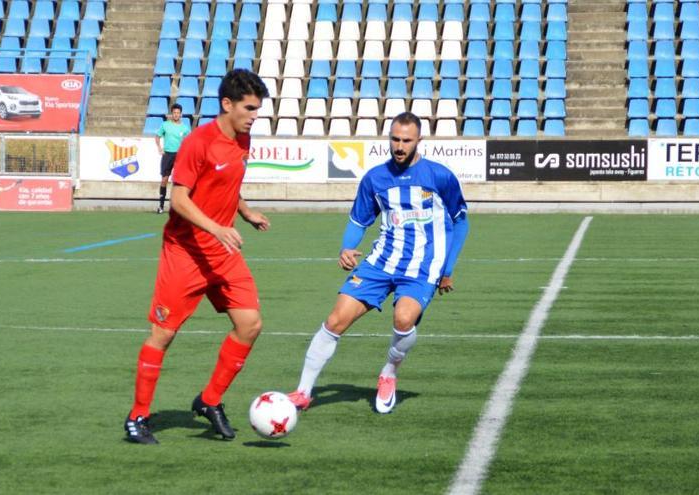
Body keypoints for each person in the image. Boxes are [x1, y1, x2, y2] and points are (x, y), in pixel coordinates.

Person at [287, 112, 469, 414]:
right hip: (381, 261)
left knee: (403, 320)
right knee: (334, 321)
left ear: (419, 141)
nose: (399, 146)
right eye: (395, 139)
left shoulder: (439, 176)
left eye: (406, 141)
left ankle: (389, 372)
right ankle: (303, 392)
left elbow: (460, 222)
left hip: (423, 267)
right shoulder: (375, 178)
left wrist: (447, 270)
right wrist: (347, 247)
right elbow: (359, 219)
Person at [124, 69, 270, 444]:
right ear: (227, 104)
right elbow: (180, 199)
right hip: (185, 251)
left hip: (222, 252)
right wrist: (217, 228)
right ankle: (137, 416)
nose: (255, 115)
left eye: (258, 109)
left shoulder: (243, 138)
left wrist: (245, 212)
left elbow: (225, 186)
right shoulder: (197, 142)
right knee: (163, 333)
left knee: (250, 324)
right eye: (249, 108)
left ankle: (209, 400)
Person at [154, 103, 191, 214]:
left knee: (179, 181)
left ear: (181, 114)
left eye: (178, 113)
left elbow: (190, 141)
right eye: (174, 113)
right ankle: (161, 206)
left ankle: (179, 207)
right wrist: (160, 148)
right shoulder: (165, 125)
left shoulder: (185, 128)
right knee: (164, 179)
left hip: (179, 156)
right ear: (171, 114)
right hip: (167, 155)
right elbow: (157, 136)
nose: (176, 115)